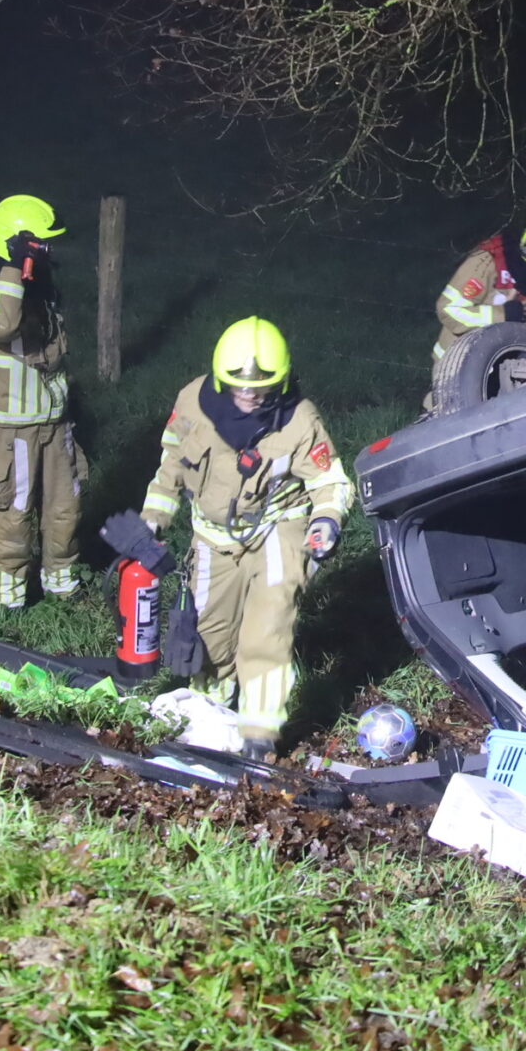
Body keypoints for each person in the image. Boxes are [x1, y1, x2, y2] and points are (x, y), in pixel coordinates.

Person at [137, 318, 351, 757]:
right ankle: (211, 713)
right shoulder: (193, 403)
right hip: (211, 536)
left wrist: (326, 521)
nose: (251, 395)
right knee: (209, 635)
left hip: (278, 530)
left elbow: (330, 482)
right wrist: (152, 520)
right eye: (240, 387)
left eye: (263, 388)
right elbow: (171, 464)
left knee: (267, 629)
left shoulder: (299, 421)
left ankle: (259, 735)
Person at [0, 194, 86, 610]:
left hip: (53, 421)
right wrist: (16, 268)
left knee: (64, 506)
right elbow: (2, 325)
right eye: (39, 244)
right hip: (9, 425)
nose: (48, 250)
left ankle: (62, 582)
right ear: (15, 245)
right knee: (12, 513)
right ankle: (5, 597)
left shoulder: (42, 284)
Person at [431, 212, 526, 381]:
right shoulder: (487, 262)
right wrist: (502, 315)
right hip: (458, 367)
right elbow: (448, 309)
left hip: (506, 372)